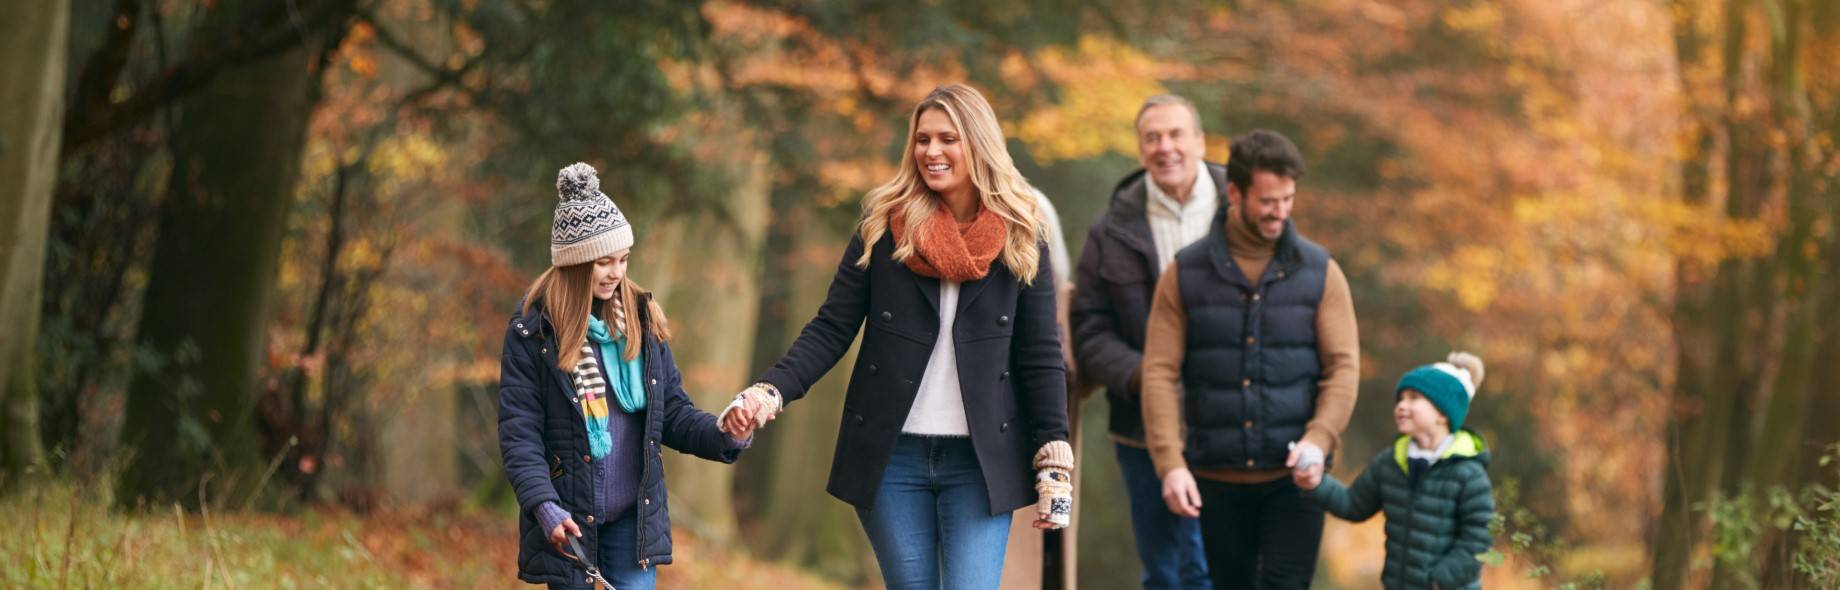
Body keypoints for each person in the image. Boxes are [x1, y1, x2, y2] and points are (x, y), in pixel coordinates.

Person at [719, 84, 1073, 590]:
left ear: (979, 143)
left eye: (947, 138)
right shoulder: (885, 227)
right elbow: (832, 327)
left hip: (980, 462)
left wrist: (1053, 457)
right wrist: (770, 390)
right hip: (892, 458)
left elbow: (1041, 355)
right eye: (922, 139)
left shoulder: (1022, 234)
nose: (931, 152)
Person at [498, 163, 751, 589]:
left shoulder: (639, 320)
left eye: (623, 260)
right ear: (576, 263)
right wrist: (544, 508)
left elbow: (671, 413)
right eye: (604, 263)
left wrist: (725, 433)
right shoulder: (533, 330)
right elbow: (519, 433)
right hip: (569, 520)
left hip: (633, 522)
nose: (617, 273)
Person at [1140, 129, 1360, 589]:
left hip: (1296, 480)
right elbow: (1159, 372)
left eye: (1288, 199)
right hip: (1214, 477)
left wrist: (1319, 438)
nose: (1280, 211)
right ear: (1235, 193)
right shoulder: (1185, 273)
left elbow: (1343, 367)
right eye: (1268, 201)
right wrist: (1170, 462)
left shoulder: (1322, 273)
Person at [1071, 93, 1223, 590]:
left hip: (1232, 421)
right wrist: (1143, 376)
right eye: (1152, 138)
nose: (1165, 147)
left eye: (1176, 134)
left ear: (1200, 142)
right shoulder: (1110, 230)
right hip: (1140, 427)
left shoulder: (1244, 208)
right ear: (1140, 152)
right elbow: (1088, 328)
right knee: (1166, 570)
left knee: (1218, 567)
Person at [1297, 353, 1496, 589]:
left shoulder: (1468, 474)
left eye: (1414, 398)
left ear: (1443, 413)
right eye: (1400, 399)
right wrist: (1316, 483)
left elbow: (1478, 539)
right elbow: (1353, 504)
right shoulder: (1391, 462)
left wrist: (1441, 580)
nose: (1402, 405)